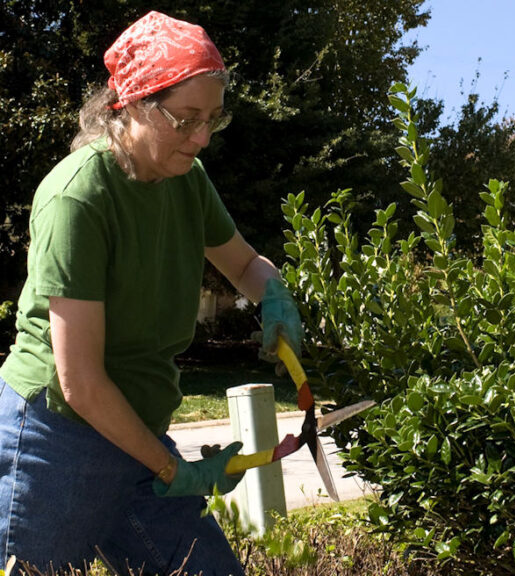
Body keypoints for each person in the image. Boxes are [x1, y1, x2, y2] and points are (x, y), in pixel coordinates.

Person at [0, 11, 302, 575]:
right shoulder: (77, 199)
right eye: (186, 118)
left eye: (213, 119)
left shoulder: (186, 177)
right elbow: (82, 383)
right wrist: (172, 470)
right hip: (57, 437)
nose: (203, 138)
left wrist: (274, 297)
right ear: (134, 105)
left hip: (136, 430)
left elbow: (243, 264)